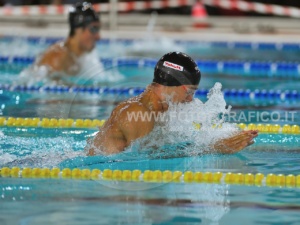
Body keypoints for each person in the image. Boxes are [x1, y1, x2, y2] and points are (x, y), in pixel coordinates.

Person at [86, 52, 258, 155]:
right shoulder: (139, 114)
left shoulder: (161, 109)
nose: (190, 99)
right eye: (189, 91)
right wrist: (215, 148)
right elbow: (145, 160)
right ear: (170, 85)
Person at [34, 1, 100, 79]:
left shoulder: (76, 58)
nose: (98, 37)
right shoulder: (57, 57)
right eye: (94, 29)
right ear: (78, 30)